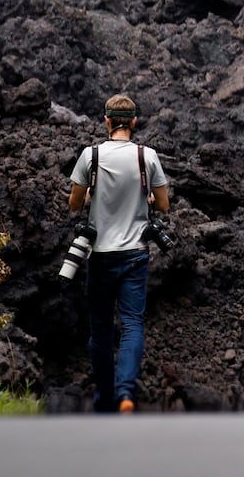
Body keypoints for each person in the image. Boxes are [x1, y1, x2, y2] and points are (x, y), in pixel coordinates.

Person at [67, 94, 169, 414]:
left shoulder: (90, 155)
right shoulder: (146, 156)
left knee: (100, 328)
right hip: (135, 254)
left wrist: (90, 198)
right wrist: (148, 198)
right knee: (133, 325)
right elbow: (164, 205)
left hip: (100, 255)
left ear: (107, 121)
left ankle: (104, 397)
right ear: (135, 122)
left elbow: (74, 203)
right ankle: (126, 394)